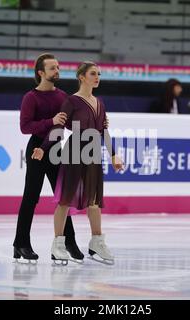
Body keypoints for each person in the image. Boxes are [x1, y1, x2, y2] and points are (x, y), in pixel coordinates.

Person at [32, 61, 124, 265]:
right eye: (93, 73)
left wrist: (114, 155)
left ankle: (96, 242)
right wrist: (43, 147)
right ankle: (58, 245)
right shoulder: (72, 101)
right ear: (81, 77)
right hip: (74, 150)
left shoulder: (100, 102)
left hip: (93, 153)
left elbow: (103, 132)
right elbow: (58, 128)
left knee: (93, 200)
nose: (97, 77)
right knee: (65, 199)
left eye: (99, 74)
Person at [13, 53, 84, 264]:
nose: (57, 71)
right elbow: (25, 127)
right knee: (31, 197)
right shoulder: (31, 98)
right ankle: (21, 243)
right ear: (41, 73)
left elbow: (68, 124)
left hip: (56, 150)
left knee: (64, 198)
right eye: (52, 68)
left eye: (58, 67)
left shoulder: (62, 96)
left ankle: (68, 243)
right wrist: (49, 121)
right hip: (36, 149)